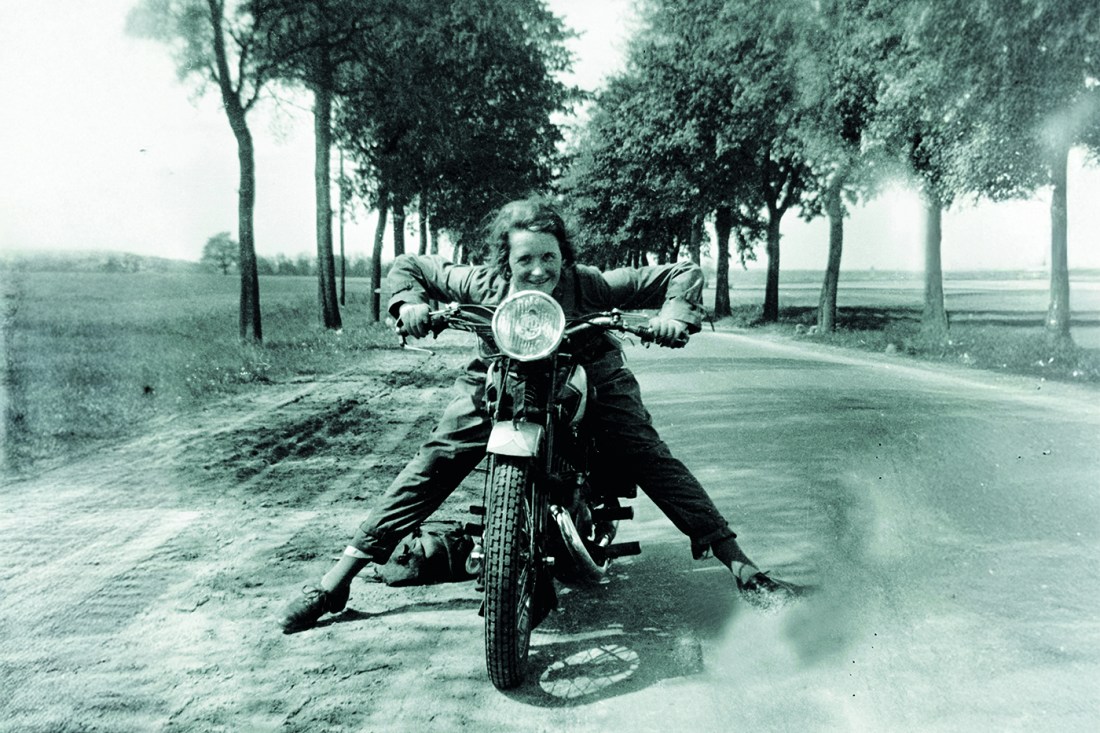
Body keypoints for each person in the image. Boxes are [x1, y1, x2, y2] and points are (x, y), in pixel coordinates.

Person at [279, 197, 799, 633]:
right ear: (505, 259)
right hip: (502, 373)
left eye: (549, 258)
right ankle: (337, 581)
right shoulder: (481, 285)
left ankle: (743, 567)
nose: (538, 271)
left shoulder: (589, 284)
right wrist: (409, 305)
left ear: (563, 256)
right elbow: (411, 266)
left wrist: (672, 316)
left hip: (589, 371)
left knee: (645, 453)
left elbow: (681, 271)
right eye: (525, 259)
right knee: (437, 459)